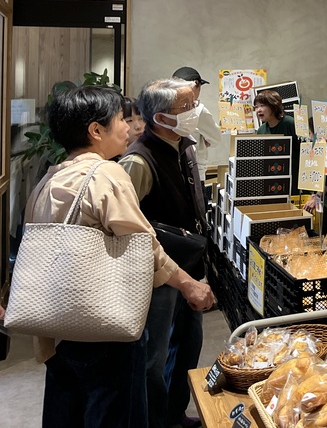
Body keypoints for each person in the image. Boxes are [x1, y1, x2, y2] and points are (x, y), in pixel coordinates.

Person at [22, 85, 212, 428]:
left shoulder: (48, 179)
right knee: (114, 414)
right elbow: (145, 245)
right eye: (121, 120)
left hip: (55, 329)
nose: (130, 127)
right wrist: (189, 285)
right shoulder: (107, 175)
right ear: (96, 131)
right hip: (103, 328)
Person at [119, 79, 213, 428]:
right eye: (186, 107)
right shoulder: (138, 161)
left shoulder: (183, 145)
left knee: (188, 344)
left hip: (190, 265)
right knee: (153, 357)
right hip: (158, 275)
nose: (195, 111)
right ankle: (155, 421)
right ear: (160, 118)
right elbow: (126, 227)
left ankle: (174, 415)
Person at [173, 66, 223, 179]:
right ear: (195, 86)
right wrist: (203, 142)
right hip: (194, 171)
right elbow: (216, 139)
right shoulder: (198, 111)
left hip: (170, 170)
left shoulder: (165, 108)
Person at [254, 89, 300, 190]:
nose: (258, 110)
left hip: (294, 181)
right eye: (256, 107)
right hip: (271, 182)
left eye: (262, 105)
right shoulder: (261, 130)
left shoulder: (290, 123)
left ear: (273, 106)